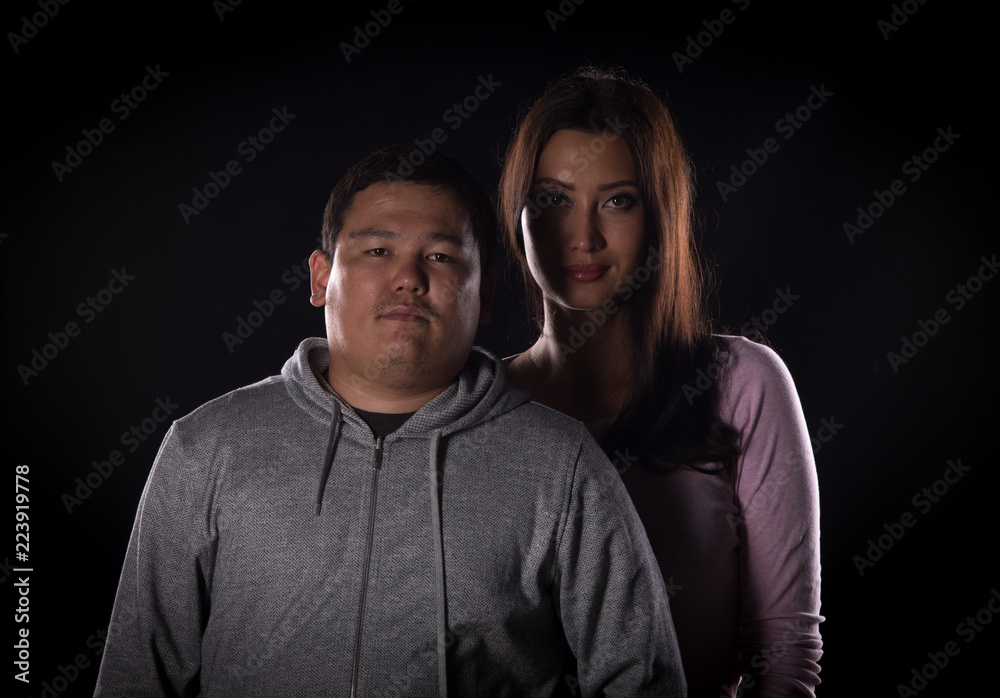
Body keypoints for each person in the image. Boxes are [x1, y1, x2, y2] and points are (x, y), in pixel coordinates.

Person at [94, 144, 685, 697]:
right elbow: (134, 680)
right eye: (378, 251)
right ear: (321, 277)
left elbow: (642, 681)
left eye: (440, 256)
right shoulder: (205, 448)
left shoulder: (563, 464)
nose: (409, 278)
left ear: (484, 295)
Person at [499, 68, 823, 697]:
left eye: (617, 200)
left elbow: (784, 655)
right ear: (518, 215)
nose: (584, 236)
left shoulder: (741, 385)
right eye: (554, 199)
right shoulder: (478, 403)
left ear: (661, 215)